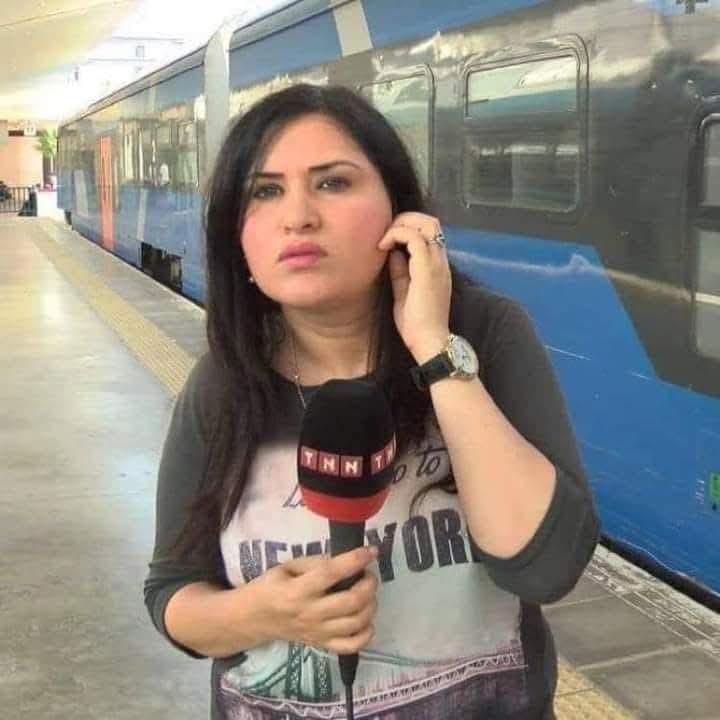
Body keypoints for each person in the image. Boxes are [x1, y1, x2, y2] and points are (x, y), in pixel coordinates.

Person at [144, 83, 599, 720]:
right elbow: (172, 593)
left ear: (398, 211)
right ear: (237, 237)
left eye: (332, 182)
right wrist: (261, 613)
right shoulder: (223, 385)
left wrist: (434, 349)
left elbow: (545, 568)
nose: (297, 216)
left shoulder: (485, 336)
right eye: (265, 191)